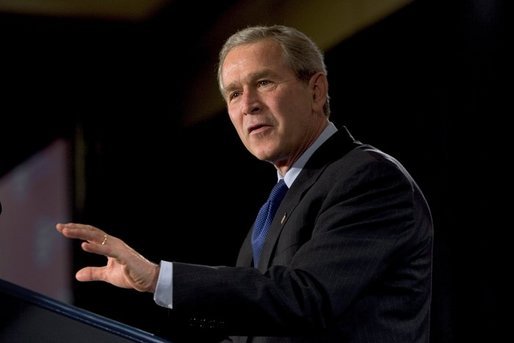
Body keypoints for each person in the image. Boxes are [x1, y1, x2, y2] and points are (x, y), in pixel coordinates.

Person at [56, 25, 433, 342]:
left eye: (264, 82)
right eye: (234, 93)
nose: (247, 104)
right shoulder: (276, 206)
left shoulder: (366, 177)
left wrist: (158, 278)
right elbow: (255, 322)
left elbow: (304, 299)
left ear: (316, 91)